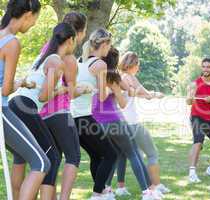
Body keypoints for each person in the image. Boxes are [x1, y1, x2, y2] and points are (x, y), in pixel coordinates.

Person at [81, 28, 162, 200]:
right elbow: (124, 100)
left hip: (96, 119)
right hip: (113, 119)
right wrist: (121, 91)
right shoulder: (113, 76)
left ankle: (106, 190)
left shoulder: (92, 69)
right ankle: (147, 192)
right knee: (132, 152)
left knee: (111, 154)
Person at [0, 1, 52, 200]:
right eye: (35, 20)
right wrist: (21, 82)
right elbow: (5, 89)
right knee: (41, 162)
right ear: (28, 14)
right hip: (1, 111)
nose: (33, 25)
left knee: (22, 155)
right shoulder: (11, 43)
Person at [108, 51, 170, 197]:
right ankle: (155, 185)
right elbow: (145, 93)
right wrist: (156, 95)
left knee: (122, 155)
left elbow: (137, 93)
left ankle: (118, 187)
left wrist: (150, 95)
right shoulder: (130, 77)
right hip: (133, 123)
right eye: (138, 65)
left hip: (121, 123)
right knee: (152, 153)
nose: (138, 68)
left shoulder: (120, 77)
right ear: (132, 65)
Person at [33, 23, 77, 200]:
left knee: (53, 159)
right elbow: (48, 94)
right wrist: (68, 89)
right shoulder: (60, 60)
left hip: (42, 115)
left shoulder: (45, 54)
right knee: (73, 156)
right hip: (58, 112)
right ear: (70, 40)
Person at [71, 46, 119, 200]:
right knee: (111, 154)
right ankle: (97, 194)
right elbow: (102, 96)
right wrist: (113, 91)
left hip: (72, 117)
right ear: (104, 45)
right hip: (83, 117)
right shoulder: (100, 64)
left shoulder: (79, 61)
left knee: (96, 155)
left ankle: (102, 191)